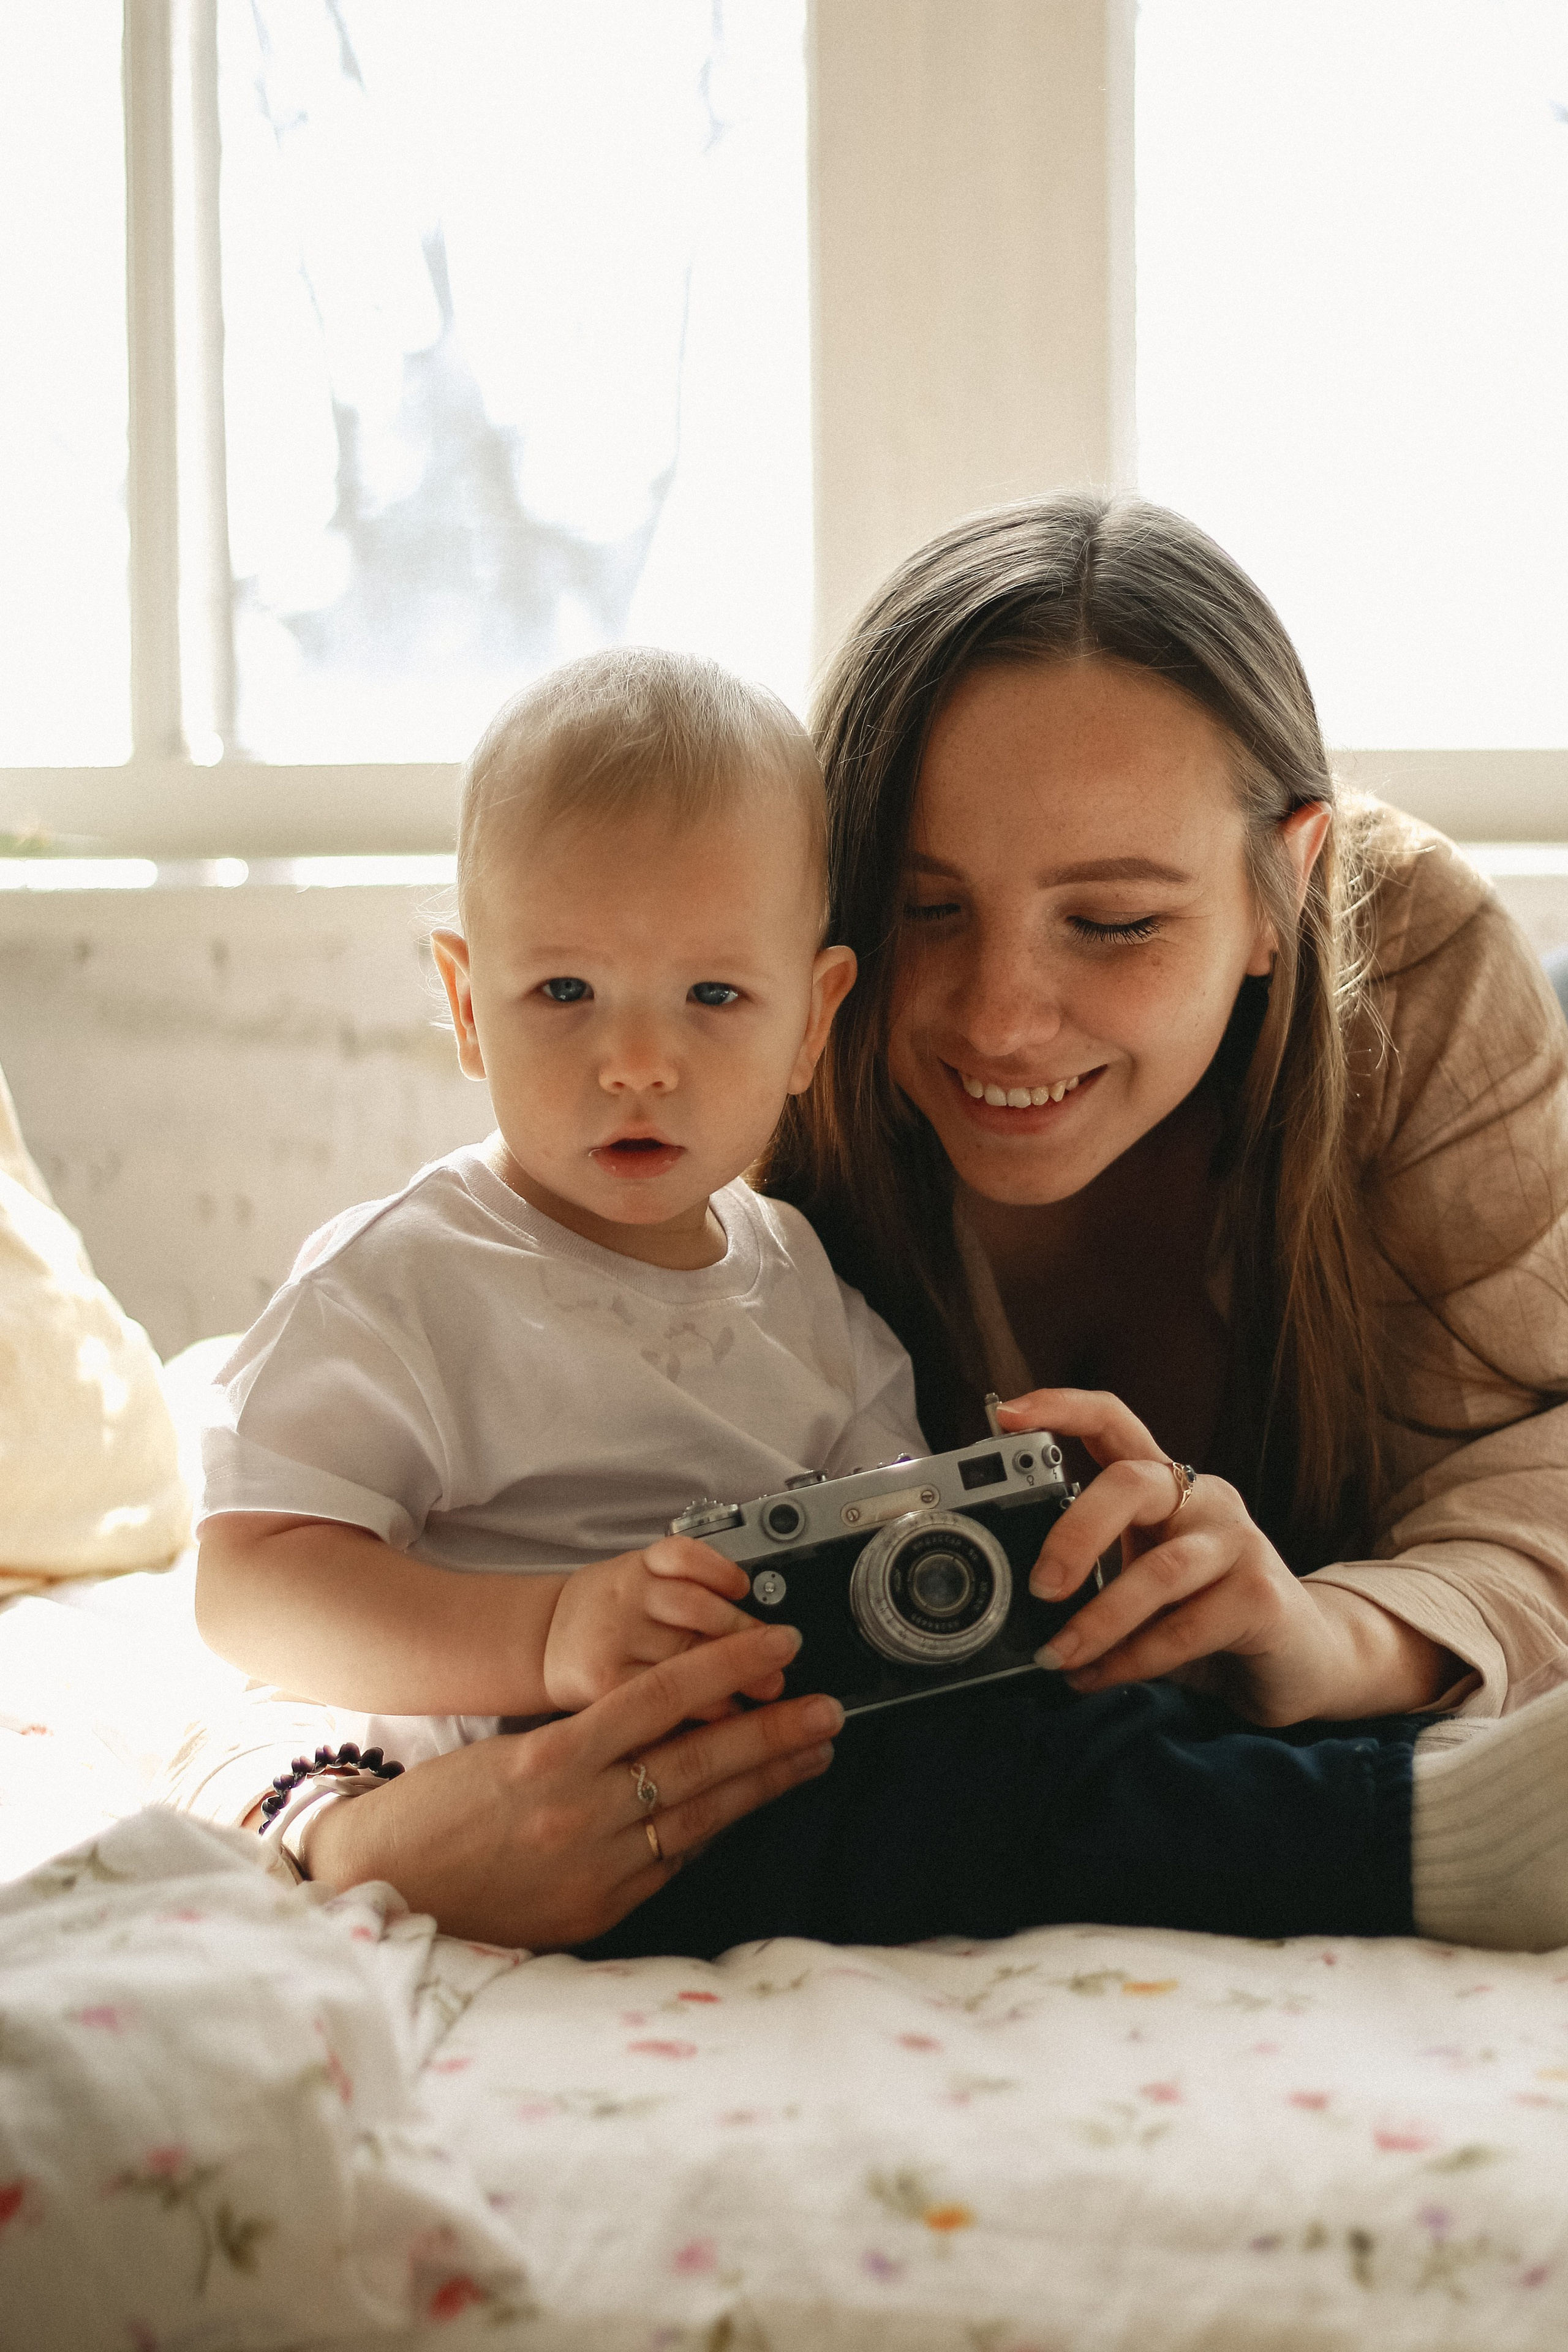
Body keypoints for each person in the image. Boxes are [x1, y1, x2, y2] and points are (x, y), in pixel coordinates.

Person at [185, 496, 1568, 1959]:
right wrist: (346, 1830)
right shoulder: (695, 1112)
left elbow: (1527, 1469)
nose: (999, 1016)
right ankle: (1398, 1833)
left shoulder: (1395, 972)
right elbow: (263, 1594)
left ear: (1282, 885)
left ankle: (1408, 1819)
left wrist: (1310, 1636)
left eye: (1110, 922)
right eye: (925, 910)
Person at [193, 647, 914, 1871]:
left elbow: (892, 1523)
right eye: (566, 988)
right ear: (469, 1007)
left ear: (814, 1019)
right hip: (537, 1809)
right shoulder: (406, 1283)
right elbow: (250, 1589)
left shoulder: (804, 1289)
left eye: (714, 996)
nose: (635, 1058)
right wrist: (547, 1631)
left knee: (1083, 1758)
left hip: (795, 1772)